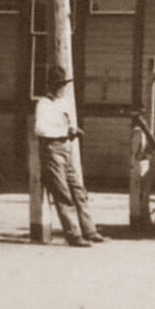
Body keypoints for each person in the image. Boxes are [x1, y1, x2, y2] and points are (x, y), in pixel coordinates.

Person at [32, 65, 103, 248]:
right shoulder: (44, 104)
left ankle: (89, 230)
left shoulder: (63, 103)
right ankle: (73, 235)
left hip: (66, 148)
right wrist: (63, 131)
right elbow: (40, 129)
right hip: (52, 150)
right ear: (53, 86)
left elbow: (65, 123)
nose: (63, 88)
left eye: (63, 84)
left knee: (79, 190)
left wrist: (72, 129)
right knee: (63, 194)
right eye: (60, 85)